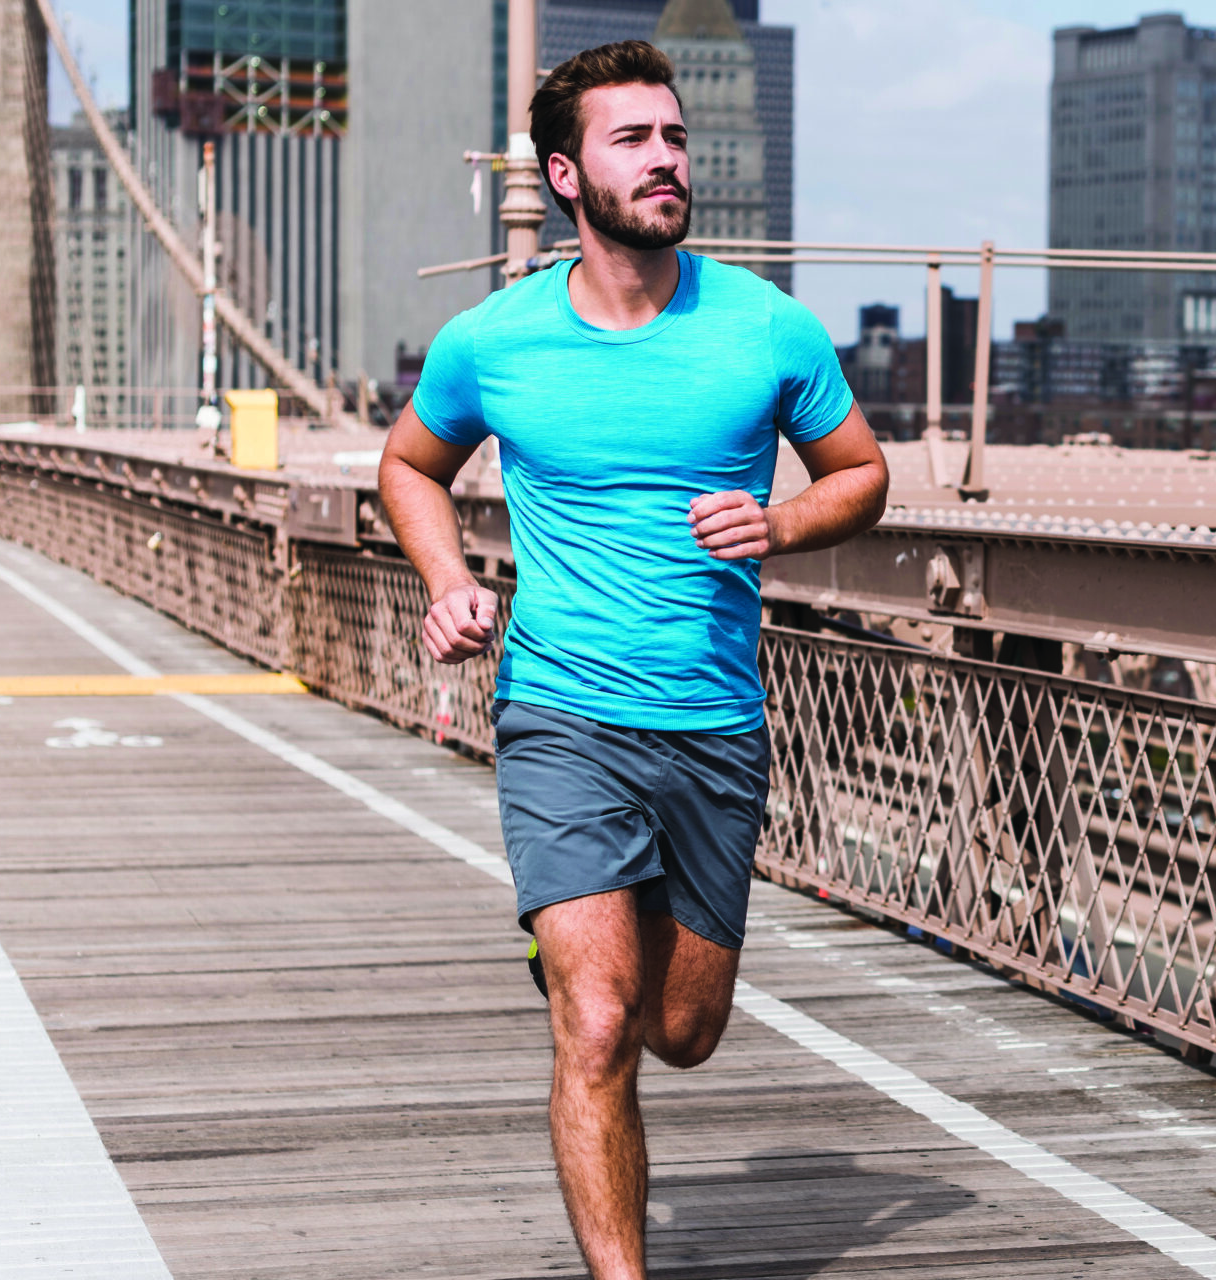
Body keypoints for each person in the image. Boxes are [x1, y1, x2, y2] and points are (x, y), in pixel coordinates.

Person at [377, 39, 887, 1278]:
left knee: (681, 1027)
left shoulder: (766, 327)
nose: (666, 160)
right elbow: (409, 464)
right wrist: (448, 581)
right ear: (565, 175)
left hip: (713, 721)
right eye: (633, 140)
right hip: (561, 713)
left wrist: (778, 523)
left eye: (674, 138)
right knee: (598, 1021)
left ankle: (579, 947)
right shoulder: (492, 342)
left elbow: (863, 473)